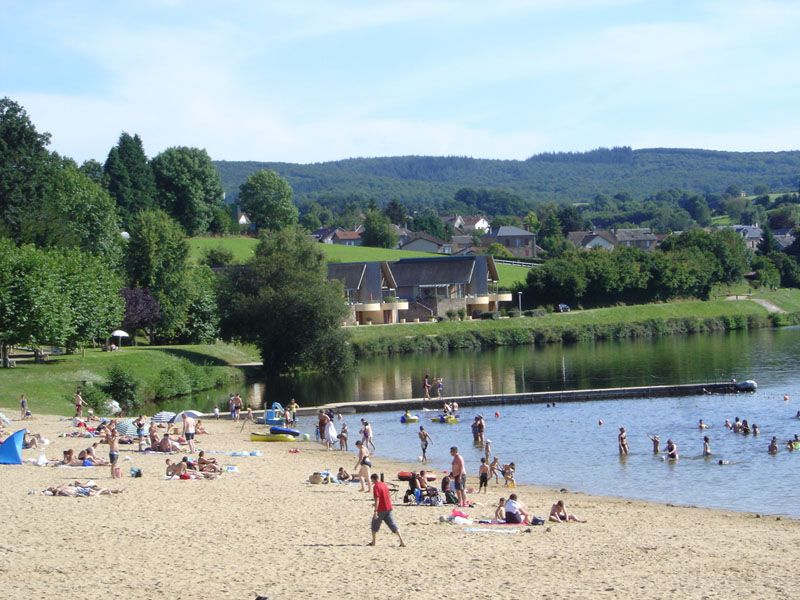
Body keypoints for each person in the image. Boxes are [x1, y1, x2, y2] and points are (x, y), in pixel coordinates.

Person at [369, 473, 405, 547]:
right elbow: (385, 496)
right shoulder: (384, 484)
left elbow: (377, 499)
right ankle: (402, 541)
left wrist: (375, 511)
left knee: (374, 525)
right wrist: (375, 504)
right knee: (393, 525)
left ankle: (373, 542)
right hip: (388, 507)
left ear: (373, 479)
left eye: (372, 480)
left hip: (381, 509)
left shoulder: (376, 486)